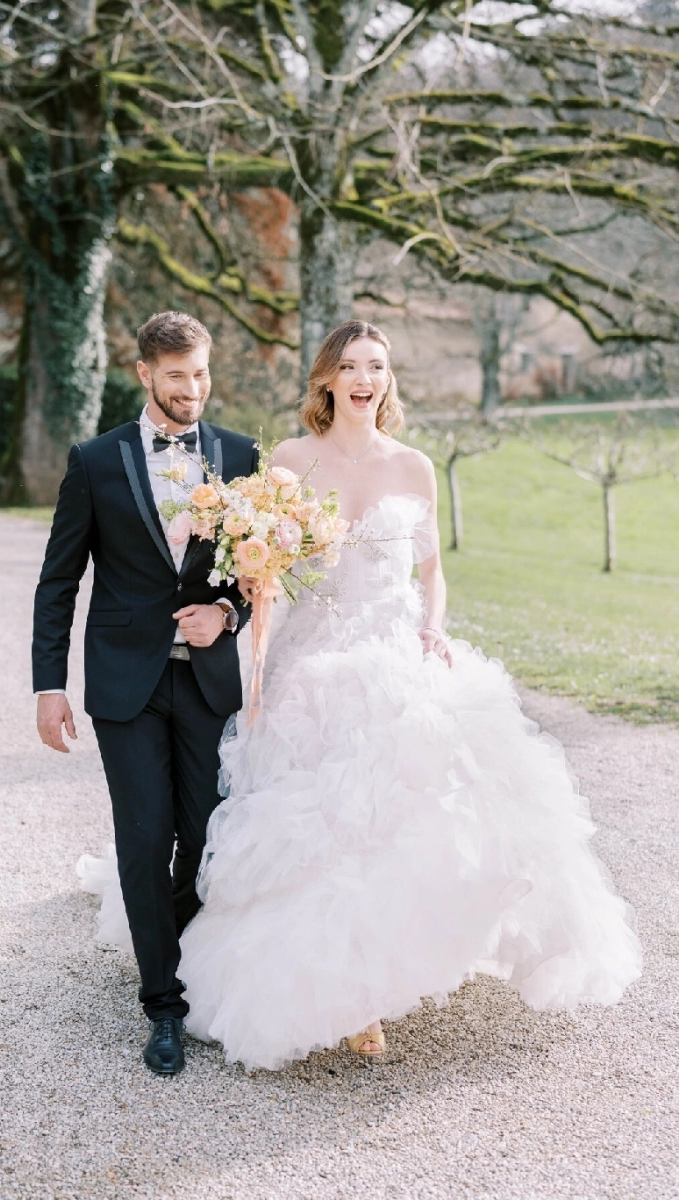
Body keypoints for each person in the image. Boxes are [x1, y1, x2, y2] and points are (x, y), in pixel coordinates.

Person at [81, 319, 641, 1073]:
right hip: (313, 662)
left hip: (394, 651)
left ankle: (391, 968)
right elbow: (265, 578)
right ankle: (345, 995)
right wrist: (258, 671)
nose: (364, 378)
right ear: (327, 380)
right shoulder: (286, 463)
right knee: (320, 827)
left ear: (388, 379)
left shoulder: (415, 466)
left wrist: (434, 628)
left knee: (417, 813)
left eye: (376, 365)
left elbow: (432, 570)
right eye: (349, 365)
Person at [33, 312, 259, 1077]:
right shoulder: (95, 461)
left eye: (200, 374)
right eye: (175, 377)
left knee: (204, 838)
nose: (191, 390)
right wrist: (48, 684)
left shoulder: (240, 455)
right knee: (144, 840)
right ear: (144, 374)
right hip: (125, 685)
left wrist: (225, 614)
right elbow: (59, 580)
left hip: (205, 682)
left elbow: (258, 574)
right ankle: (163, 1004)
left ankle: (184, 951)